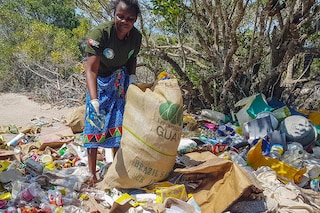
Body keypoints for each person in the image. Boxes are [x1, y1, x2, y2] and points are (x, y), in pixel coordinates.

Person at [83, 0, 142, 184]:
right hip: (99, 81)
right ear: (114, 14)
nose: (124, 22)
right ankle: (92, 173)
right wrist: (94, 100)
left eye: (130, 19)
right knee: (94, 122)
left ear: (135, 20)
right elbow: (91, 70)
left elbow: (132, 57)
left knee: (118, 125)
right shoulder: (101, 34)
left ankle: (116, 170)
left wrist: (131, 77)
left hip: (119, 80)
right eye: (120, 16)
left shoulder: (136, 37)